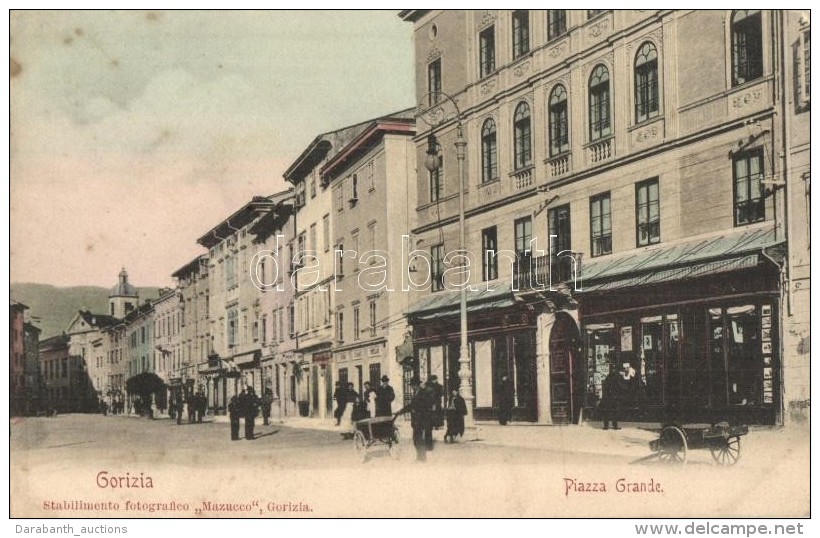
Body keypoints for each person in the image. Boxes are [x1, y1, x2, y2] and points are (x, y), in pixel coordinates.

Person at [395, 377, 437, 462]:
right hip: (417, 420)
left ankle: (421, 458)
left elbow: (416, 406)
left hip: (420, 420)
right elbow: (412, 405)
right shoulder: (418, 393)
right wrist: (401, 411)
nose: (411, 387)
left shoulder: (422, 393)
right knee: (417, 439)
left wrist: (408, 410)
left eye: (412, 385)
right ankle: (420, 457)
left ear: (416, 386)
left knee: (418, 439)